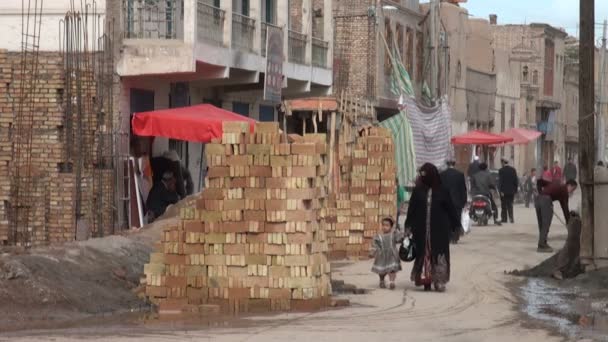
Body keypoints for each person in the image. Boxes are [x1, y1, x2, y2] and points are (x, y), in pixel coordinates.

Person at [405, 163, 462, 292]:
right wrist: (408, 226)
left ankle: (439, 281)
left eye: (425, 174)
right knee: (424, 254)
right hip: (421, 231)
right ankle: (426, 280)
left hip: (439, 231)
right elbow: (411, 210)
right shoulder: (418, 190)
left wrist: (456, 225)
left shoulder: (442, 190)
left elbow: (451, 209)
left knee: (439, 255)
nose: (422, 177)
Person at [535, 178, 578, 253]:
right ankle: (542, 245)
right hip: (546, 201)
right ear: (569, 185)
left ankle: (542, 243)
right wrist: (568, 223)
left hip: (538, 200)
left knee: (541, 224)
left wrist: (540, 193)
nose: (572, 192)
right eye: (573, 189)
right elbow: (565, 209)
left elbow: (539, 181)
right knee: (546, 224)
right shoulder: (564, 192)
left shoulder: (556, 183)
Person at [370, 217, 404, 290]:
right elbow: (374, 244)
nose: (384, 227)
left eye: (387, 225)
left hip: (392, 255)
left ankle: (392, 282)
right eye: (383, 225)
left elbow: (399, 239)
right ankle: (382, 280)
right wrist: (372, 252)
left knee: (392, 269)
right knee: (382, 271)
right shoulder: (378, 236)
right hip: (381, 256)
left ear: (391, 227)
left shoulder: (393, 234)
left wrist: (400, 234)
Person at [440, 160, 467, 243]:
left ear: (447, 165)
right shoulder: (460, 175)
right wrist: (464, 202)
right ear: (454, 164)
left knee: (447, 219)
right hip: (457, 202)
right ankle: (455, 237)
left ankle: (448, 237)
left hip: (445, 202)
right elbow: (463, 190)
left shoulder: (442, 175)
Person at [498, 159, 519, 223]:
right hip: (511, 191)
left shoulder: (501, 170)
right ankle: (511, 218)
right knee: (510, 204)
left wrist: (500, 190)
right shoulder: (513, 170)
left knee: (503, 205)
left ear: (503, 163)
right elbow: (516, 181)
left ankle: (504, 219)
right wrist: (515, 190)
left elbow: (500, 182)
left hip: (503, 191)